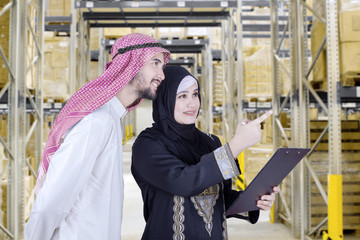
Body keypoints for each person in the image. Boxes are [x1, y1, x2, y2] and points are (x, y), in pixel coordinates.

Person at [25, 33, 170, 240]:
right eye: (155, 63)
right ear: (131, 62)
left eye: (162, 66)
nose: (161, 75)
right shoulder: (97, 122)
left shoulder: (112, 118)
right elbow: (51, 202)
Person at [131, 66, 280, 239]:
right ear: (165, 99)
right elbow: (185, 182)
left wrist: (256, 199)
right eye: (182, 96)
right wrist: (236, 145)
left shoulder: (210, 142)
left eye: (195, 94)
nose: (192, 103)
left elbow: (219, 198)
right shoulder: (147, 145)